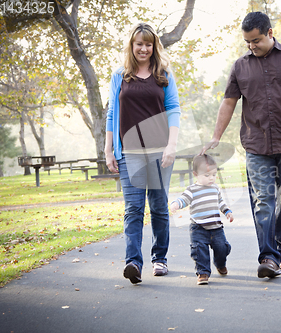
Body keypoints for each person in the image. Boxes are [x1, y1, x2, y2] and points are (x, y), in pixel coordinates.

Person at [201, 12, 281, 278]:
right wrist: (217, 136)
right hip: (256, 146)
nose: (252, 46)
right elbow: (229, 102)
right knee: (263, 200)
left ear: (270, 33)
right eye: (247, 42)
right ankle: (268, 257)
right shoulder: (240, 66)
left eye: (256, 40)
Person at [104, 22, 181, 284]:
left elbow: (174, 111)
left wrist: (171, 146)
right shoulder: (120, 76)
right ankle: (133, 263)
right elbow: (112, 114)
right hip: (130, 152)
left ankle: (160, 258)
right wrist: (108, 150)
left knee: (159, 208)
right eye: (139, 44)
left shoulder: (164, 75)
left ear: (154, 47)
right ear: (132, 46)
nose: (144, 48)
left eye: (148, 44)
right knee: (133, 209)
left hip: (160, 151)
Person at [170, 154, 233, 285]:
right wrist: (176, 204)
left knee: (222, 248)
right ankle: (203, 272)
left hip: (216, 228)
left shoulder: (215, 188)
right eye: (207, 175)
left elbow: (220, 202)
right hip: (198, 228)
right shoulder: (192, 190)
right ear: (195, 174)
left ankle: (220, 263)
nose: (211, 178)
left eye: (214, 175)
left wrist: (227, 211)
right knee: (199, 251)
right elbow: (183, 199)